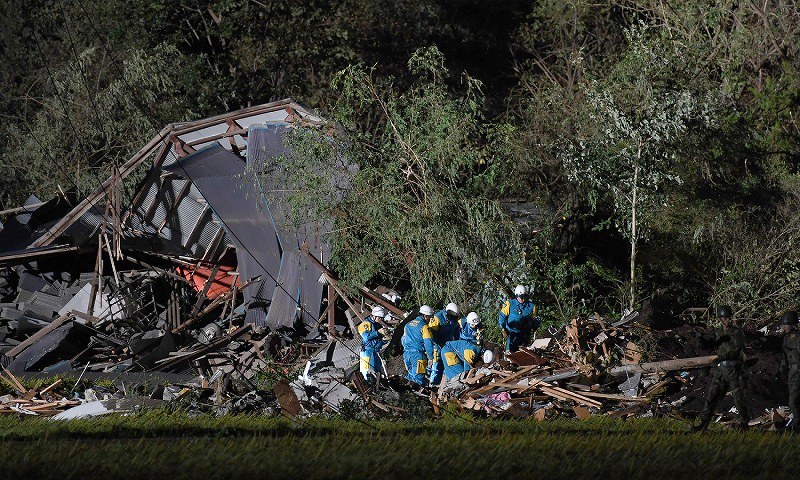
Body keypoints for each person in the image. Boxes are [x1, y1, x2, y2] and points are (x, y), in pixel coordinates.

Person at [692, 305, 750, 431]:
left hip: (734, 369)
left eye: (727, 318)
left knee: (739, 398)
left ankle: (743, 423)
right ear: (720, 319)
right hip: (720, 371)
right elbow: (710, 345)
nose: (726, 320)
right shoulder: (718, 332)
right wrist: (700, 338)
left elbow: (737, 349)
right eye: (723, 318)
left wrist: (722, 357)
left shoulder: (737, 332)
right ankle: (704, 423)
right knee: (711, 397)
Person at [401, 305, 436, 386]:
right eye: (430, 317)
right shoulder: (424, 326)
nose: (430, 320)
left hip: (407, 354)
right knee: (419, 378)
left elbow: (403, 339)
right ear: (425, 316)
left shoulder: (408, 324)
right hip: (418, 356)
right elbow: (428, 343)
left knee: (410, 377)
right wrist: (431, 357)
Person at [498, 285, 539, 353]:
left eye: (524, 297)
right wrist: (503, 329)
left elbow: (535, 319)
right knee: (509, 353)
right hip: (512, 333)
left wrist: (535, 328)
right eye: (520, 297)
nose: (522, 299)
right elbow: (502, 317)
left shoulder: (532, 306)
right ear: (516, 295)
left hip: (525, 334)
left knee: (524, 353)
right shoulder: (509, 304)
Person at [428, 302, 461, 385]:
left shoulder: (455, 318)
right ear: (447, 313)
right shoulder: (437, 318)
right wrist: (440, 344)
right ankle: (432, 383)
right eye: (452, 317)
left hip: (448, 345)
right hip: (437, 345)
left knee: (447, 363)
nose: (453, 319)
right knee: (436, 364)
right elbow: (432, 334)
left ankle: (443, 384)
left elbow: (456, 331)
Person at [780, 311, 800, 432]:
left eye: (786, 324)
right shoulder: (786, 339)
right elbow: (784, 356)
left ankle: (797, 426)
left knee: (793, 401)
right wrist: (782, 368)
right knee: (794, 401)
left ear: (793, 325)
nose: (784, 327)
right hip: (792, 373)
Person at [358, 306, 387, 382]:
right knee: (368, 373)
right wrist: (378, 332)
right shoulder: (365, 324)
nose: (381, 320)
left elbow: (378, 340)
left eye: (382, 318)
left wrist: (384, 340)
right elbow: (366, 337)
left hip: (376, 351)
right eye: (380, 318)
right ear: (374, 316)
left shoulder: (378, 324)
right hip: (367, 352)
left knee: (377, 373)